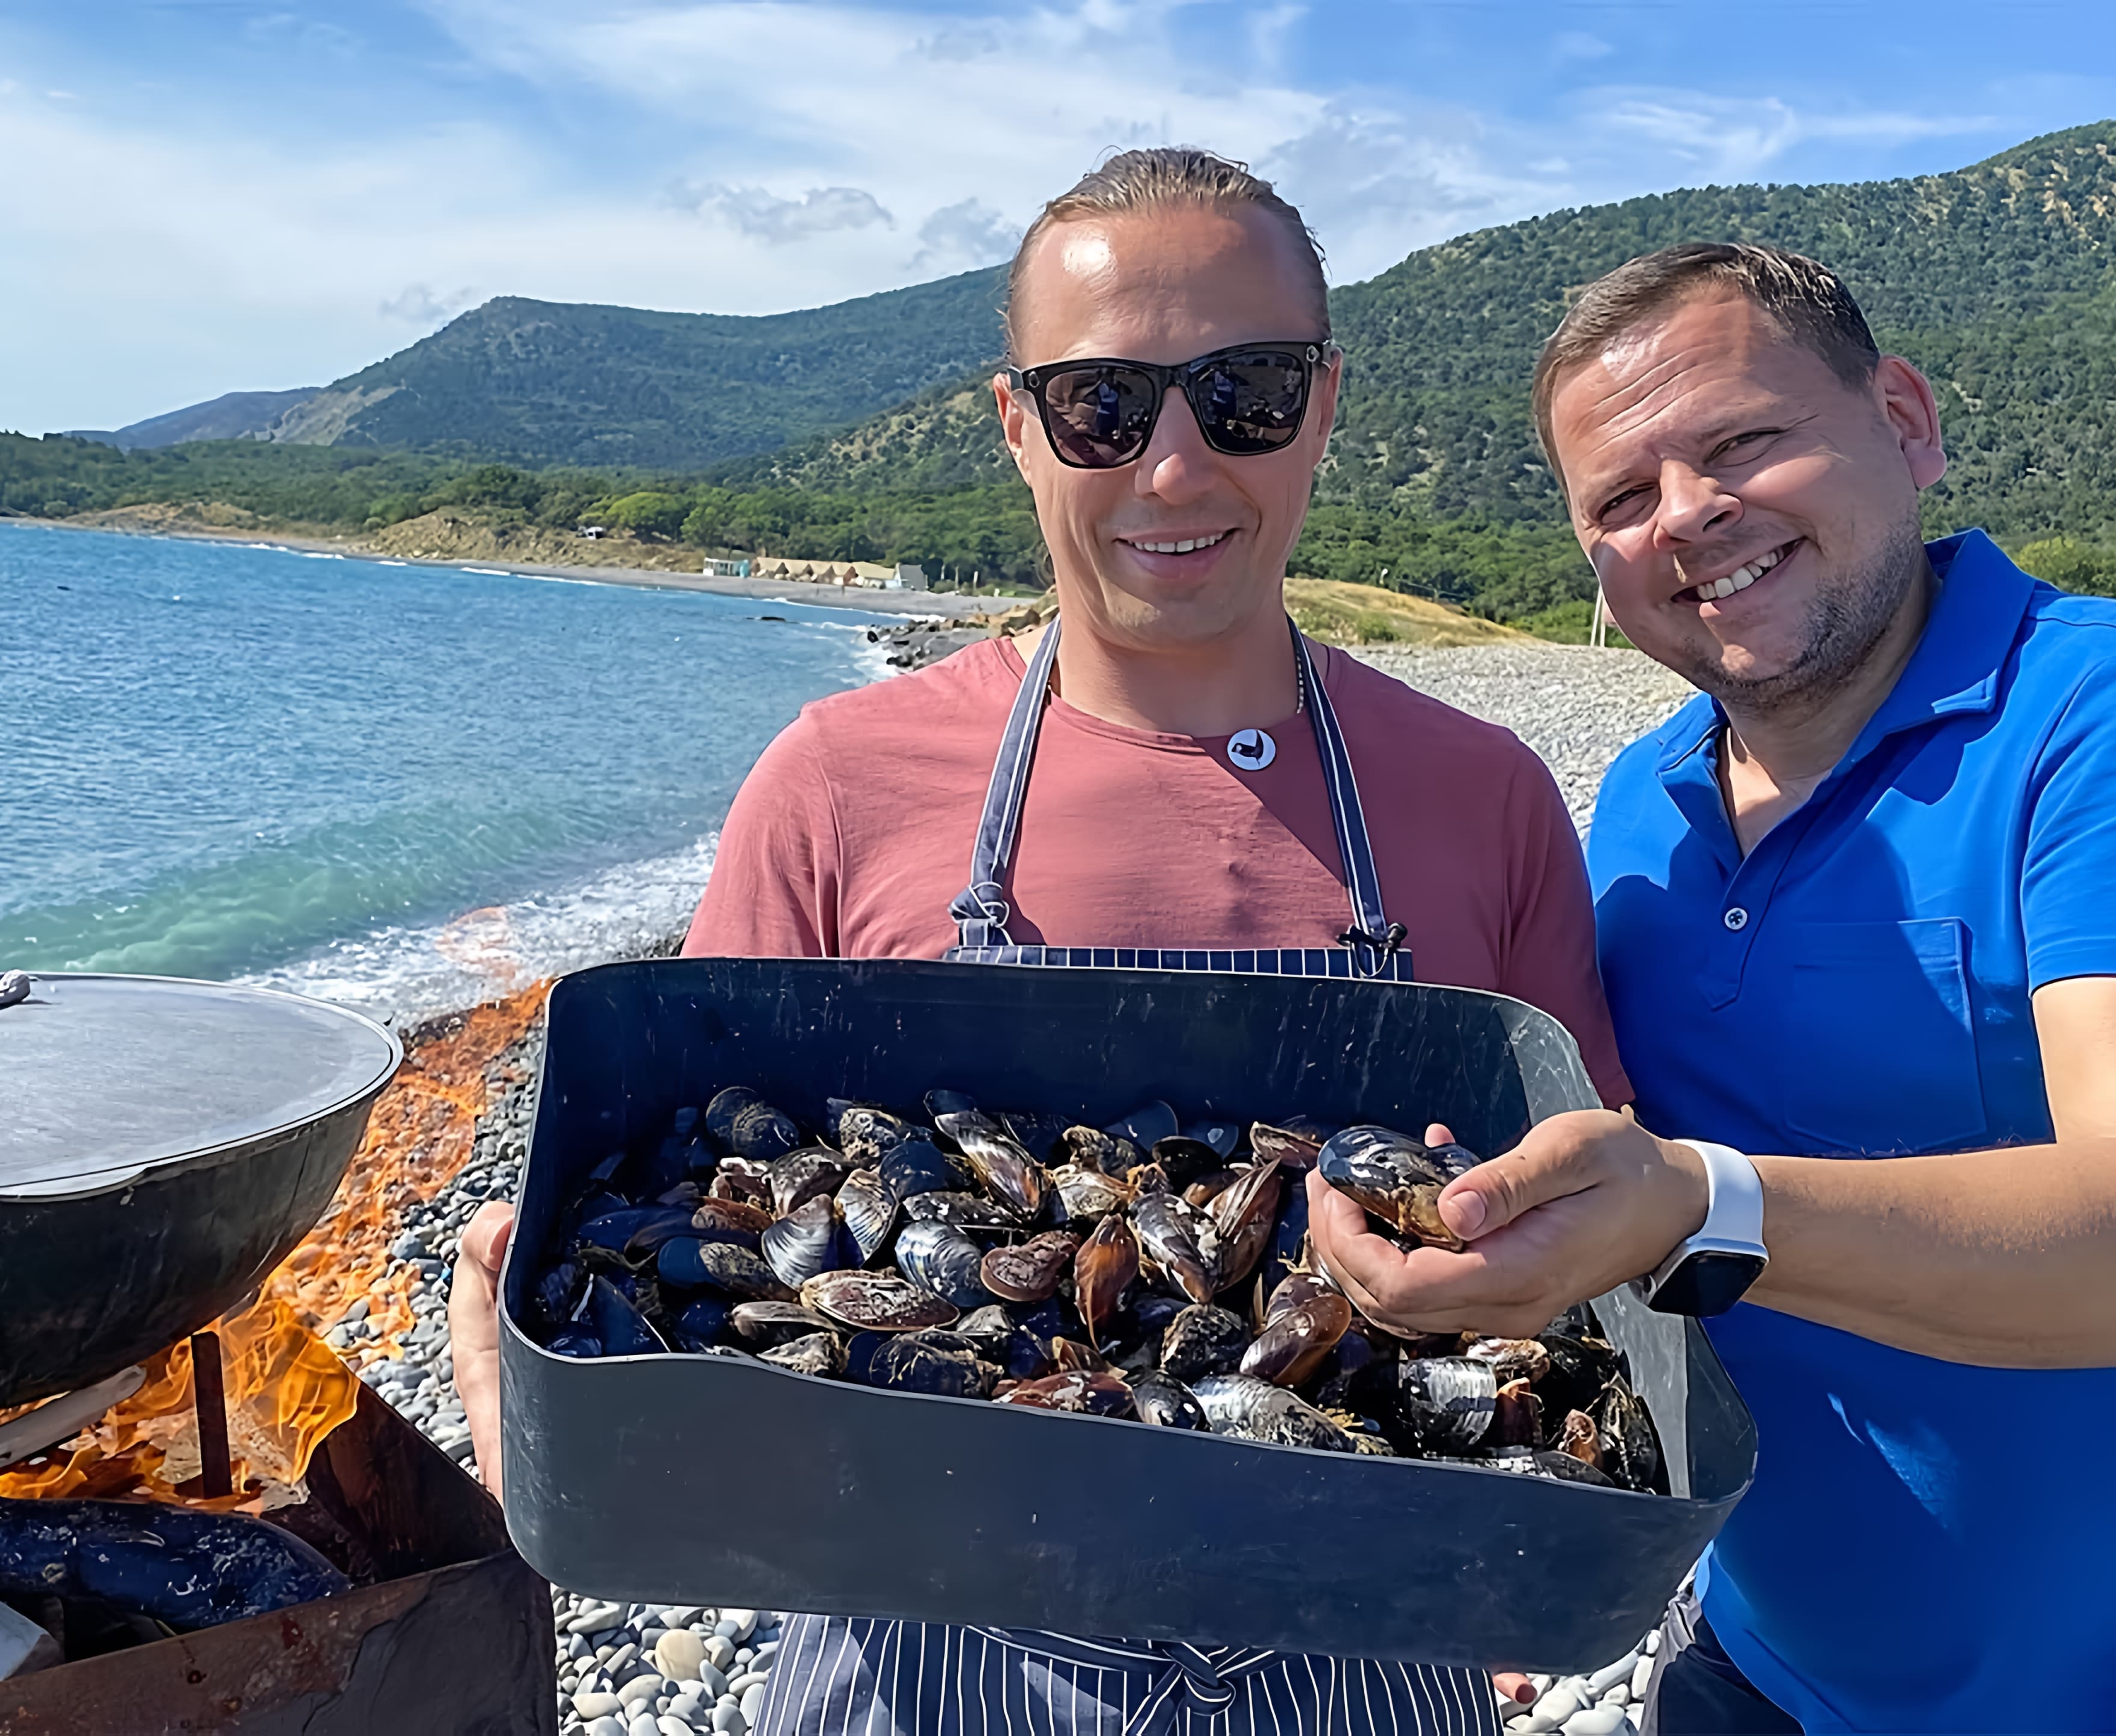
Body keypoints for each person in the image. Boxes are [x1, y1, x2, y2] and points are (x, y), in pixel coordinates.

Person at [449, 147, 1634, 1733]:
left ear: (1327, 406)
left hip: (1365, 1665)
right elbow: (682, 1222)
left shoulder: (1482, 800)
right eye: (1103, 406)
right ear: (1018, 427)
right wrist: (548, 1379)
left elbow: (1597, 1269)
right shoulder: (835, 782)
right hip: (906, 1671)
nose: (1175, 466)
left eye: (1247, 392)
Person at [1309, 241, 2116, 1732]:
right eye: (1619, 500)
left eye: (1743, 442)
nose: (1686, 515)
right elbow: (1631, 1200)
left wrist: (1700, 1205)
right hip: (1758, 1659)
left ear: (1904, 421)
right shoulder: (1641, 804)